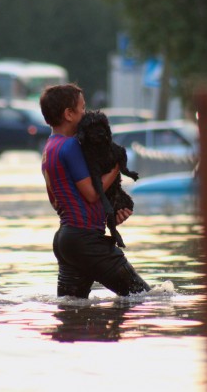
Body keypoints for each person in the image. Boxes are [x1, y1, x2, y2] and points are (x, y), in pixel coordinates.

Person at [39, 83, 150, 298]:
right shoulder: (70, 146)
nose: (85, 113)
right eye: (82, 108)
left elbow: (58, 201)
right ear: (69, 114)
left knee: (71, 312)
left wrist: (104, 216)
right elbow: (91, 193)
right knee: (146, 298)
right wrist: (118, 164)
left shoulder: (50, 148)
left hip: (66, 240)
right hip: (85, 240)